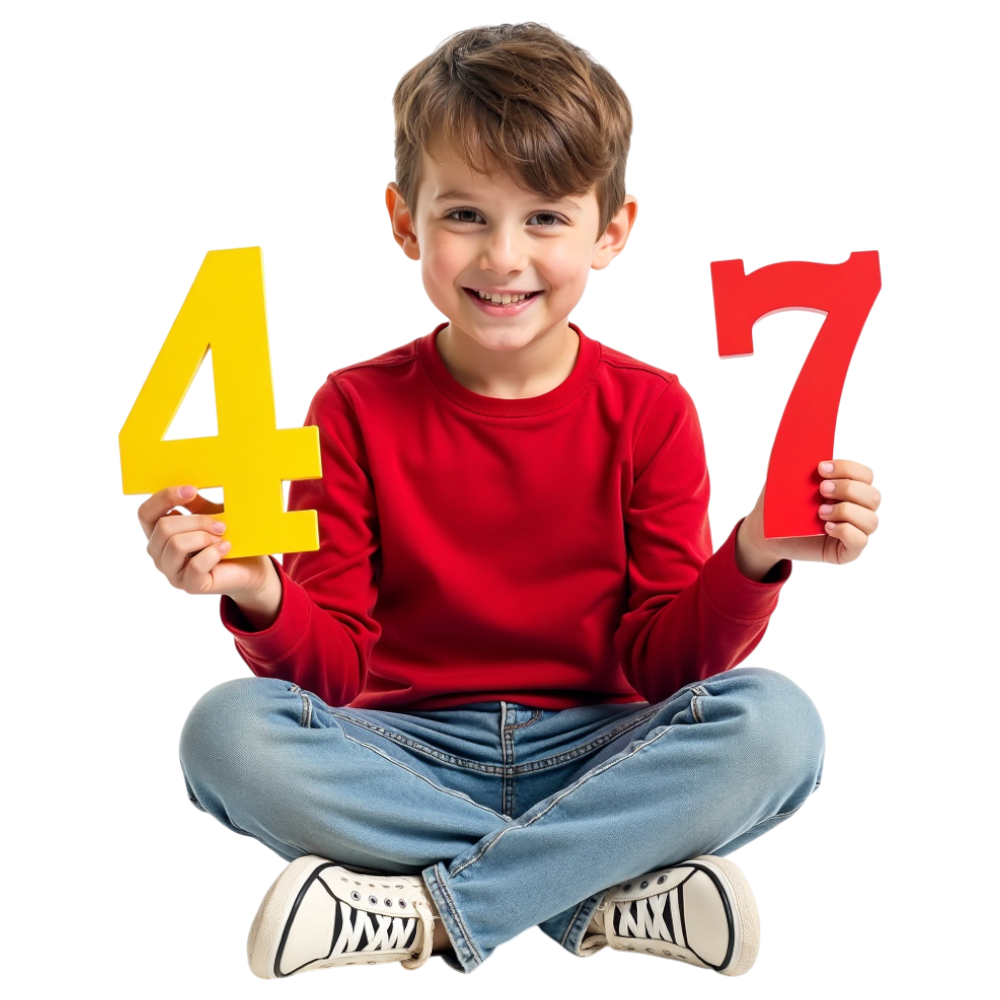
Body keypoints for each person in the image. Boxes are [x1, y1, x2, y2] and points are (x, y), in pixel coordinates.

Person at [141, 22, 880, 979]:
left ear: (610, 232)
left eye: (544, 218)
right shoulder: (352, 405)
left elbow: (666, 668)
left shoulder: (653, 407)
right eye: (464, 217)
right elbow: (330, 674)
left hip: (604, 747)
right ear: (405, 223)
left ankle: (430, 913)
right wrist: (259, 594)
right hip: (402, 749)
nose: (502, 257)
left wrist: (749, 556)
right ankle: (595, 892)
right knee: (226, 734)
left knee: (780, 725)